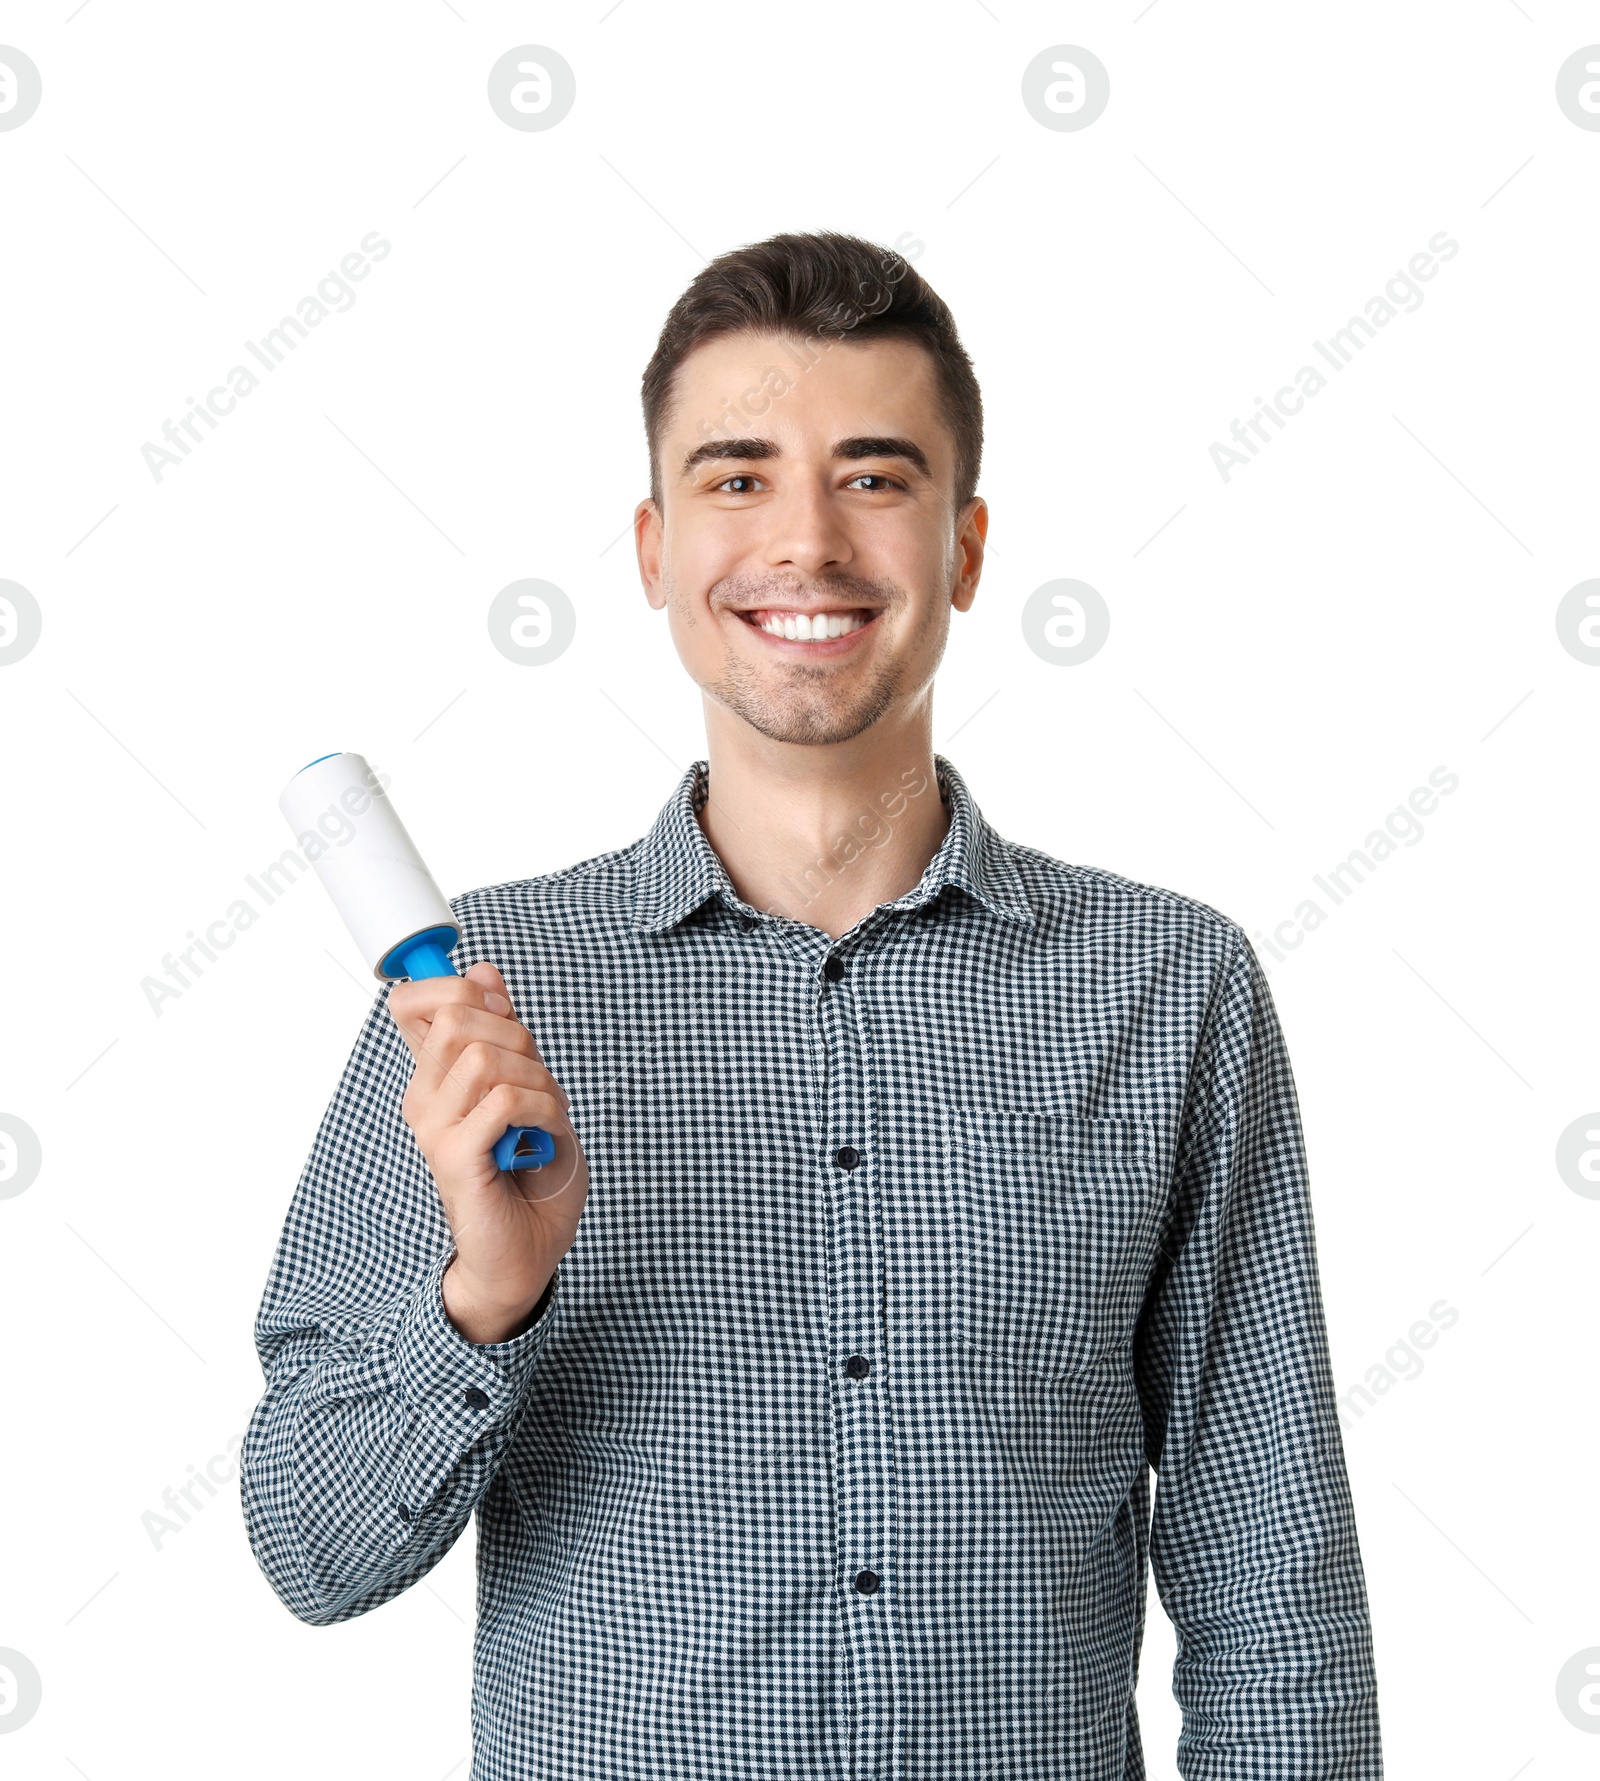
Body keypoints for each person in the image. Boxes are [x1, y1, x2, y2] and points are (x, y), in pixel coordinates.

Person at [242, 229, 1384, 1779]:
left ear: (966, 548)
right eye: (736, 478)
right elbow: (311, 1548)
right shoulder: (482, 1010)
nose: (808, 543)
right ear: (652, 550)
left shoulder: (1170, 988)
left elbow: (1274, 1581)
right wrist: (485, 1297)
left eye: (873, 476)